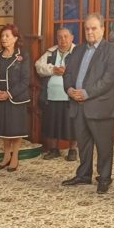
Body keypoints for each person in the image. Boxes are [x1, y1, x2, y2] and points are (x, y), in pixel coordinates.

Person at [62, 13, 114, 194]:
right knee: (83, 144)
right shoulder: (78, 50)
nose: (89, 32)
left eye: (94, 28)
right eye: (87, 29)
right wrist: (69, 89)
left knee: (104, 146)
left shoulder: (112, 51)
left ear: (103, 29)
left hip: (101, 106)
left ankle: (104, 178)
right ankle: (83, 175)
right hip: (78, 105)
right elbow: (67, 74)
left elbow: (108, 80)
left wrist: (86, 93)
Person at [0, 24, 31, 172]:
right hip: (0, 98)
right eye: (2, 36)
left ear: (15, 38)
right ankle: (6, 156)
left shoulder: (23, 56)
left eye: (7, 36)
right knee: (4, 129)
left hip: (16, 99)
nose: (4, 38)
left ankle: (15, 157)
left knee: (15, 129)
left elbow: (25, 81)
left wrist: (8, 94)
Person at [35, 28, 77, 161]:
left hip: (70, 95)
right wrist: (53, 70)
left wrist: (67, 71)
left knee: (71, 125)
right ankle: (54, 150)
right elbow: (38, 66)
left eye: (66, 36)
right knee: (52, 124)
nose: (63, 40)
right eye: (60, 37)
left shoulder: (78, 52)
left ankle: (73, 150)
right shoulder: (51, 52)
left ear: (72, 37)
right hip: (51, 95)